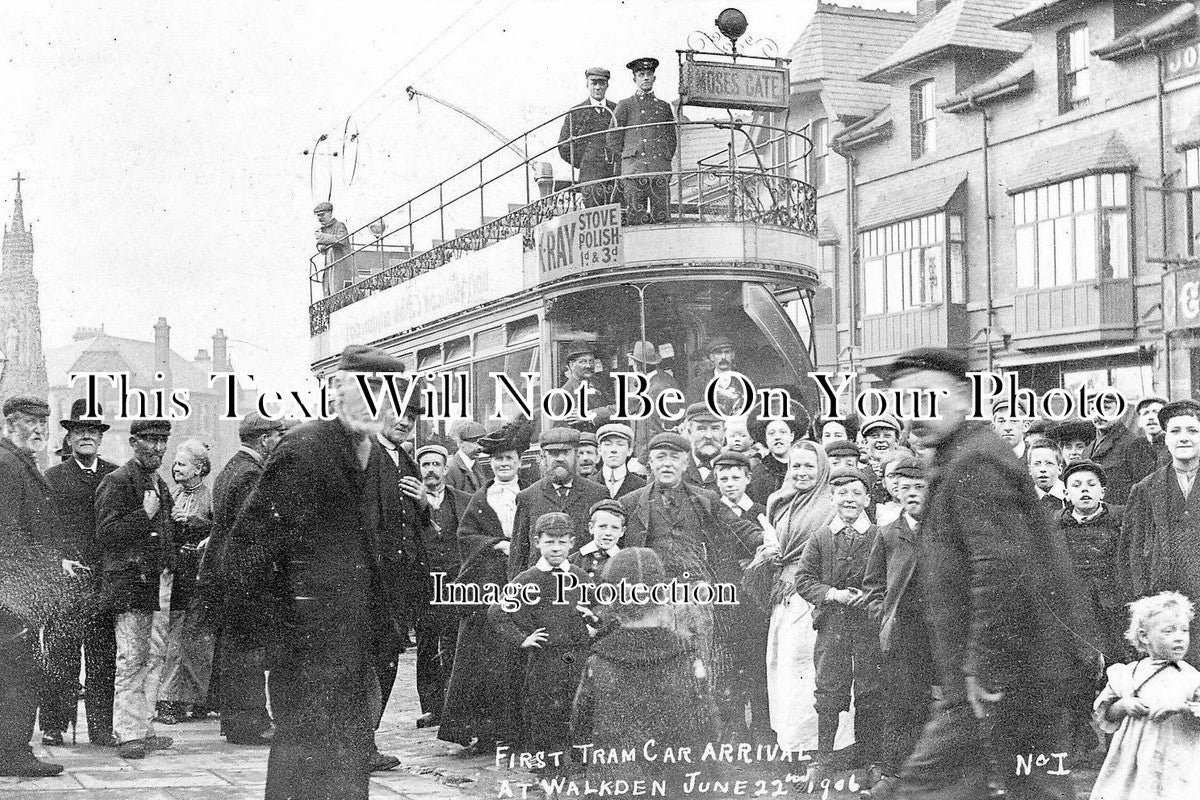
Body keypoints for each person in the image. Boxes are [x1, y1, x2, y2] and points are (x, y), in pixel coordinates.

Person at [885, 347, 1098, 800]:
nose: (914, 414)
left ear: (964, 396)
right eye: (902, 402)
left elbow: (1000, 568)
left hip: (999, 674)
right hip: (1006, 670)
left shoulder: (974, 463)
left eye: (925, 396)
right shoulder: (959, 456)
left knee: (929, 787)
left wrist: (981, 665)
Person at [220, 344, 407, 800]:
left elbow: (384, 547)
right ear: (337, 393)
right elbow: (252, 546)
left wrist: (389, 625)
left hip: (358, 638)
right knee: (301, 754)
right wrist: (274, 634)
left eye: (387, 391)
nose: (376, 401)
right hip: (305, 640)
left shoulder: (380, 460)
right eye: (365, 388)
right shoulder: (304, 450)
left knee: (349, 752)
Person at [619, 431, 761, 740]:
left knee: (701, 666)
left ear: (686, 462)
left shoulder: (705, 500)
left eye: (674, 458)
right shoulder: (631, 503)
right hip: (652, 600)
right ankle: (660, 738)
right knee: (654, 667)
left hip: (698, 597)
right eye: (660, 458)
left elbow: (738, 528)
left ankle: (701, 738)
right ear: (649, 464)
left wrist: (765, 541)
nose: (666, 464)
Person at [570, 548, 719, 789]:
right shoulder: (687, 656)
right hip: (679, 782)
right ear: (661, 596)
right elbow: (709, 725)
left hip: (617, 782)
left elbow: (580, 726)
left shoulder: (598, 661)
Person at [743, 440, 849, 756]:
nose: (801, 473)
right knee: (783, 666)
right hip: (782, 596)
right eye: (795, 466)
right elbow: (778, 542)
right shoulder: (780, 502)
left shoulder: (831, 505)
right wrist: (769, 556)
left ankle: (817, 746)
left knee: (809, 668)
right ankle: (791, 741)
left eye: (808, 466)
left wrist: (799, 570)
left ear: (822, 470)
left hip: (813, 597)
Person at [439, 420, 530, 753]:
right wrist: (496, 543)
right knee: (485, 659)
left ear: (520, 460)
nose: (503, 464)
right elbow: (465, 537)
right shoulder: (481, 497)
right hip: (488, 585)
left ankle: (519, 730)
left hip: (524, 584)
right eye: (496, 460)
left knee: (521, 654)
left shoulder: (531, 493)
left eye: (508, 458)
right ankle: (486, 731)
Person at [199, 411, 284, 746]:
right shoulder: (251, 474)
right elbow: (254, 531)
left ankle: (236, 722)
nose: (278, 441)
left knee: (235, 650)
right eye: (276, 435)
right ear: (263, 440)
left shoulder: (231, 468)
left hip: (228, 574)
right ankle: (250, 724)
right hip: (245, 576)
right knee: (246, 653)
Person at [795, 467, 884, 785]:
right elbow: (803, 579)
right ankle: (823, 759)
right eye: (842, 493)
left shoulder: (878, 536)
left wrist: (870, 599)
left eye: (857, 493)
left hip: (867, 629)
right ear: (832, 498)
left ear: (867, 499)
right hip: (831, 627)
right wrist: (833, 594)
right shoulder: (820, 538)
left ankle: (871, 759)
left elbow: (886, 582)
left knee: (870, 691)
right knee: (829, 691)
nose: (849, 499)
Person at [95, 418, 176, 760]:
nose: (158, 447)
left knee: (154, 656)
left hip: (154, 583)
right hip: (130, 585)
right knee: (131, 657)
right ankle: (128, 733)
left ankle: (142, 727)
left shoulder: (158, 483)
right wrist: (143, 515)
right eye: (151, 441)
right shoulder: (117, 481)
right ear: (133, 442)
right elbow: (106, 535)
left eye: (162, 441)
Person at [40, 398, 119, 748]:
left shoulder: (115, 476)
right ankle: (55, 725)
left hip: (103, 582)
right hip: (68, 582)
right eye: (79, 431)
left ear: (101, 438)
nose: (86, 437)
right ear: (69, 438)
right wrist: (58, 561)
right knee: (62, 656)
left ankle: (101, 729)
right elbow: (42, 529)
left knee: (103, 656)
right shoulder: (52, 479)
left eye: (92, 431)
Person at [490, 512, 595, 772]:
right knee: (543, 708)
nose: (556, 548)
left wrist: (592, 623)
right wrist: (522, 639)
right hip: (545, 658)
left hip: (578, 654)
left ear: (572, 543)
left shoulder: (580, 576)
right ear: (537, 542)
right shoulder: (527, 579)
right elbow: (497, 611)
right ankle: (545, 762)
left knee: (579, 705)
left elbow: (599, 607)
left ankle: (580, 761)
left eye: (562, 542)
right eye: (549, 542)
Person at [0, 396, 66, 777]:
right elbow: (6, 532)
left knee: (14, 674)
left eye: (44, 422)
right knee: (19, 676)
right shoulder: (7, 464)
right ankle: (13, 754)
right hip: (13, 593)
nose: (40, 429)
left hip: (19, 589)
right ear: (10, 423)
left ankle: (10, 750)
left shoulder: (21, 462)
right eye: (30, 422)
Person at [862, 456, 933, 799]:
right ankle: (893, 774)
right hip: (905, 633)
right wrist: (883, 613)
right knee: (903, 704)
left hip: (943, 633)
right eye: (905, 488)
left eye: (920, 487)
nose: (913, 494)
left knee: (949, 704)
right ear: (896, 493)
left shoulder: (944, 532)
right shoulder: (888, 534)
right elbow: (874, 585)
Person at [1090, 591, 1200, 800]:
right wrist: (1125, 705)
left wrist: (1180, 707)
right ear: (1144, 636)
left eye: (1184, 631)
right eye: (1169, 631)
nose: (1179, 637)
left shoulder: (1192, 678)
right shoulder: (1128, 673)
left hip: (1176, 760)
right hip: (1133, 761)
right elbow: (1107, 713)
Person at [1121, 398, 1200, 669]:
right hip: (1165, 613)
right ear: (1165, 439)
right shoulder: (1145, 490)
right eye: (1176, 431)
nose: (1184, 438)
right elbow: (1130, 555)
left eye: (1192, 430)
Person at [1057, 459, 1127, 765]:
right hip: (1072, 613)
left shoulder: (1121, 519)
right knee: (1073, 673)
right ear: (1067, 493)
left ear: (1102, 490)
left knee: (1116, 671)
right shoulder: (1054, 523)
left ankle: (1118, 743)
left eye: (1091, 485)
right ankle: (1077, 739)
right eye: (1076, 485)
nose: (1084, 490)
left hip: (1113, 611)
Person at [711, 449, 771, 743]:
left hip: (757, 600)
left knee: (758, 664)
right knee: (728, 665)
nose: (730, 484)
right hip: (726, 598)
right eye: (723, 478)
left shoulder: (761, 511)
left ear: (748, 478)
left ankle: (762, 727)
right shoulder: (711, 512)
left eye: (736, 477)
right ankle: (734, 729)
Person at [411, 443, 472, 729]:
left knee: (454, 642)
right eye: (425, 465)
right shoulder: (408, 501)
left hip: (456, 583)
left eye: (436, 464)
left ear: (446, 469)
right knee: (426, 644)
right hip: (423, 584)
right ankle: (432, 706)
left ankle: (453, 704)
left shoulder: (463, 500)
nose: (431, 470)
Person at [156, 439, 216, 724]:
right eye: (175, 463)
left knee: (194, 639)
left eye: (182, 464)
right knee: (172, 637)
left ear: (199, 468)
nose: (175, 468)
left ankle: (193, 699)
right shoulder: (169, 494)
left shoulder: (209, 497)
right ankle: (168, 699)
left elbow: (218, 531)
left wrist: (192, 521)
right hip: (173, 576)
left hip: (198, 577)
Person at [508, 426, 608, 578]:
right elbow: (518, 555)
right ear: (543, 457)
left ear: (576, 455)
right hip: (540, 585)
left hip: (584, 583)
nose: (560, 458)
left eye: (566, 452)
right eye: (553, 453)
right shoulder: (528, 497)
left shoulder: (598, 494)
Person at [607, 57, 676, 225]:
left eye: (649, 74)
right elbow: (612, 138)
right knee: (636, 218)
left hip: (658, 169)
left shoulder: (664, 106)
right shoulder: (625, 105)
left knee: (662, 218)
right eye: (641, 74)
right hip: (634, 171)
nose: (645, 77)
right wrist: (629, 155)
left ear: (654, 78)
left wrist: (664, 157)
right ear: (635, 79)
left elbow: (671, 138)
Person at [558, 67, 617, 208]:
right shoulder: (577, 112)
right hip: (590, 176)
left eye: (601, 83)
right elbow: (563, 146)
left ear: (607, 85)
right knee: (594, 219)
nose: (597, 88)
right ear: (587, 84)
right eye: (594, 83)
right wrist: (584, 160)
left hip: (614, 174)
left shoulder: (616, 109)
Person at [624, 340, 681, 458]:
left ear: (636, 364)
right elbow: (629, 405)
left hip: (650, 457)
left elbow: (656, 431)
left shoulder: (657, 387)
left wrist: (642, 460)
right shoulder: (655, 380)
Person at [747, 413, 800, 506]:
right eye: (771, 433)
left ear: (791, 436)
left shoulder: (802, 468)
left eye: (782, 432)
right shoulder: (758, 473)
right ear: (766, 440)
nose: (777, 437)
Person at [569, 499, 625, 580]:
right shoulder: (574, 560)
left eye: (615, 528)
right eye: (602, 526)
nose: (608, 533)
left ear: (622, 531)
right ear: (591, 528)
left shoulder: (624, 561)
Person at [690, 338, 747, 417]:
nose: (723, 357)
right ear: (711, 357)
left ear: (733, 355)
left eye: (727, 352)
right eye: (718, 353)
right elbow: (692, 413)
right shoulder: (699, 383)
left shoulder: (743, 382)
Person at [596, 423, 645, 499]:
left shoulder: (642, 487)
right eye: (608, 444)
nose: (613, 450)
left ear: (629, 450)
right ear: (599, 450)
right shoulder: (587, 485)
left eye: (620, 444)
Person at [682, 403, 723, 490]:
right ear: (689, 432)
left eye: (715, 428)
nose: (709, 436)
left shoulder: (738, 468)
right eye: (701, 429)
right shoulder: (675, 467)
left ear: (724, 432)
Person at [315, 201, 352, 297]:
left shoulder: (339, 225)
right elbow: (320, 246)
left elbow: (342, 240)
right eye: (318, 216)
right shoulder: (322, 229)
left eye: (322, 215)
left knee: (337, 290)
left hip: (341, 266)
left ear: (330, 213)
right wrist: (321, 246)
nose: (320, 218)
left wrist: (324, 238)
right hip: (330, 268)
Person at [446, 421, 488, 494]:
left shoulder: (475, 463)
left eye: (481, 443)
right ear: (460, 442)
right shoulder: (450, 468)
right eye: (474, 442)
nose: (479, 447)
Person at [1028, 437, 1067, 515]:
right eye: (1037, 464)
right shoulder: (1026, 499)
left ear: (1060, 469)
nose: (1043, 469)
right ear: (1029, 470)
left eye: (1049, 463)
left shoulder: (1071, 495)